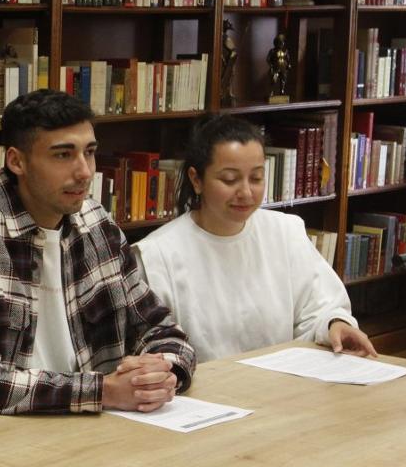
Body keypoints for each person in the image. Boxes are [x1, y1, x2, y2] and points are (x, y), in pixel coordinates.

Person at [0, 89, 196, 420]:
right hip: (5, 438)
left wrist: (161, 373)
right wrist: (103, 391)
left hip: (97, 425)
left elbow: (163, 332)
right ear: (16, 161)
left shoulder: (96, 223)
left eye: (90, 152)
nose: (84, 171)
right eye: (63, 155)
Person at [134, 115, 376, 363]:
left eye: (257, 178)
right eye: (230, 179)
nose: (246, 192)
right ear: (196, 180)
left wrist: (335, 324)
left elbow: (321, 308)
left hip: (280, 386)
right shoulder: (157, 255)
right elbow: (155, 347)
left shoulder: (285, 231)